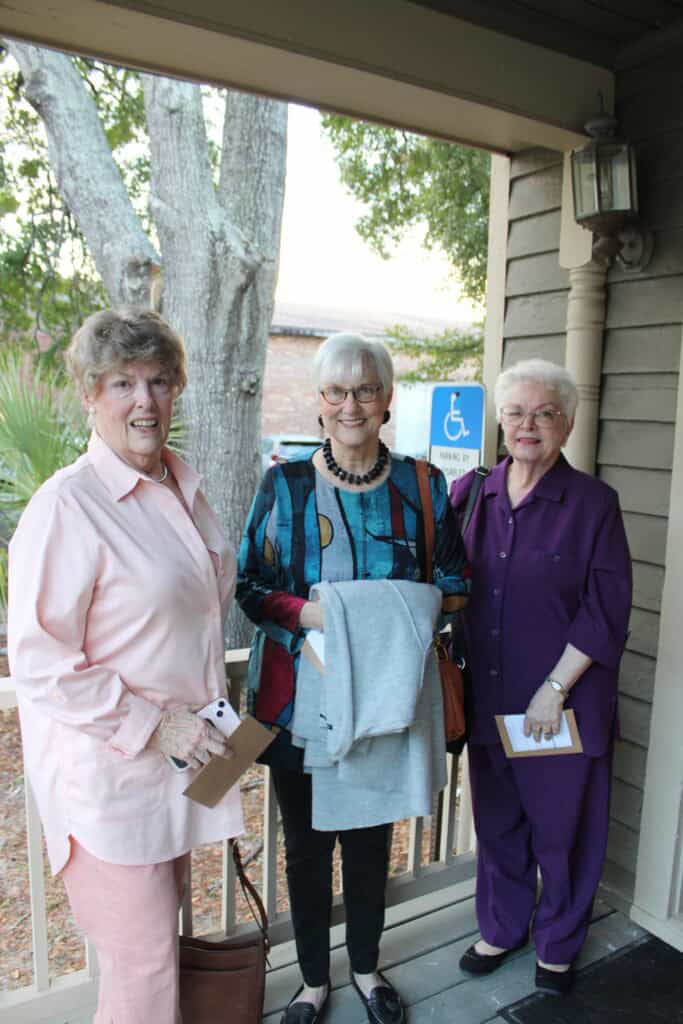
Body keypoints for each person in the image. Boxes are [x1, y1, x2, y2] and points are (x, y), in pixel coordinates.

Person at [8, 308, 243, 1024]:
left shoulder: (182, 485)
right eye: (122, 383)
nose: (145, 400)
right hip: (113, 785)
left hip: (183, 764)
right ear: (89, 393)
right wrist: (154, 723)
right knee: (143, 973)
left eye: (159, 381)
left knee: (153, 956)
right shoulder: (67, 507)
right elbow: (41, 662)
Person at [237, 332, 469, 1024]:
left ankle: (366, 970)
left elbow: (454, 584)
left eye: (365, 390)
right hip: (295, 706)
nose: (350, 405)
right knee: (306, 853)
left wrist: (379, 620)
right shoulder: (284, 485)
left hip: (388, 700)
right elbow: (249, 587)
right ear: (318, 402)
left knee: (371, 845)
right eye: (335, 391)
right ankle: (312, 983)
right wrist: (317, 615)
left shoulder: (422, 486)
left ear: (386, 399)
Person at [450, 358, 632, 995]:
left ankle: (558, 941)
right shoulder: (470, 495)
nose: (529, 425)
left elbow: (605, 609)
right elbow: (444, 588)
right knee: (498, 820)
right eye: (517, 411)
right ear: (500, 420)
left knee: (564, 827)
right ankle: (502, 927)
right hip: (488, 698)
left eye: (545, 413)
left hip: (558, 704)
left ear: (568, 423)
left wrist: (555, 689)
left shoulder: (594, 506)